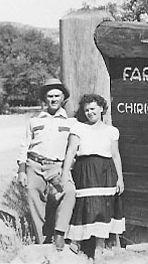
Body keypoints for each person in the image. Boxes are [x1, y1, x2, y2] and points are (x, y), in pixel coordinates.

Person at [62, 93, 125, 258]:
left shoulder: (112, 131)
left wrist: (120, 178)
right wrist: (64, 173)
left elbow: (115, 155)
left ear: (102, 109)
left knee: (104, 207)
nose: (90, 112)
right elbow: (71, 151)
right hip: (85, 170)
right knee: (85, 205)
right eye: (87, 110)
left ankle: (100, 246)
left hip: (106, 171)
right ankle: (76, 242)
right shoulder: (78, 128)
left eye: (93, 109)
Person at [17, 78, 76, 250]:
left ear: (63, 98)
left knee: (69, 191)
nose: (53, 99)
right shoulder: (34, 121)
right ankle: (42, 241)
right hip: (34, 164)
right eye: (50, 96)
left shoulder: (70, 122)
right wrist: (21, 170)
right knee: (33, 196)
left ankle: (59, 233)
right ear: (44, 99)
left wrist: (67, 168)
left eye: (57, 95)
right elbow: (24, 145)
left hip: (57, 166)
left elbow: (74, 149)